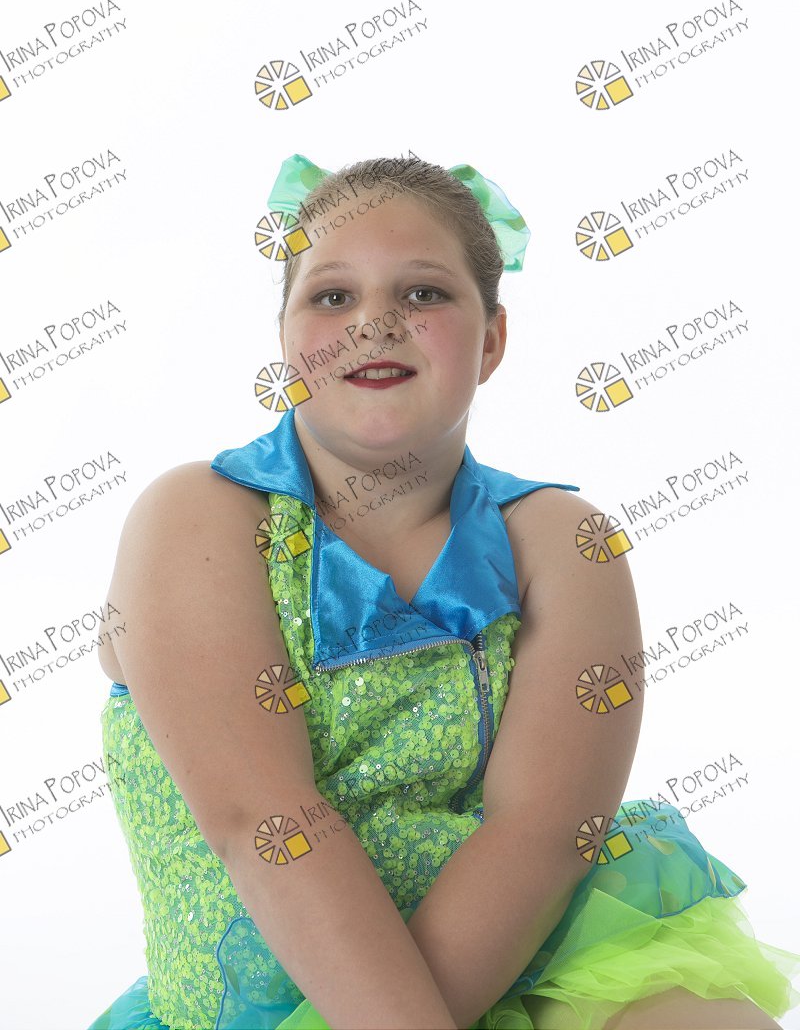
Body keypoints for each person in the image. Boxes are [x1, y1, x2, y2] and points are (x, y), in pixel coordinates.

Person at [88, 156, 800, 1030]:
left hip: (502, 959)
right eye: (333, 296)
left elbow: (539, 836)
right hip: (272, 998)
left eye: (423, 294)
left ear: (492, 340)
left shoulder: (560, 543)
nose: (374, 323)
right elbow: (265, 821)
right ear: (287, 339)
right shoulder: (198, 517)